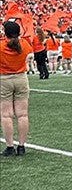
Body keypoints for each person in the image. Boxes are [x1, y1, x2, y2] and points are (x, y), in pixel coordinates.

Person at [1, 21, 31, 157]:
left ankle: (9, 146)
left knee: (6, 115)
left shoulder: (1, 45)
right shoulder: (24, 43)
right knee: (22, 114)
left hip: (4, 79)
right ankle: (21, 146)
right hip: (21, 78)